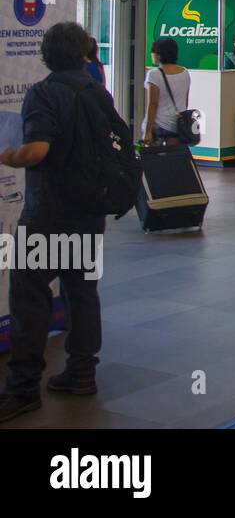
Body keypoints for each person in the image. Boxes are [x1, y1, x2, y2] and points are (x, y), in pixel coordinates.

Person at [0, 23, 117, 424]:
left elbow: (36, 150)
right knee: (82, 293)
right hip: (89, 211)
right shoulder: (97, 92)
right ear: (86, 54)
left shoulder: (44, 93)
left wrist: (8, 156)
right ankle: (81, 374)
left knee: (29, 299)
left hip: (48, 213)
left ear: (46, 54)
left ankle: (22, 389)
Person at [142, 37, 190, 146]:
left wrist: (148, 131)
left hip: (158, 125)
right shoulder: (185, 72)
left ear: (159, 54)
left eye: (153, 51)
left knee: (154, 159)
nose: (151, 54)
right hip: (177, 125)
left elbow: (153, 104)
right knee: (172, 159)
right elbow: (185, 101)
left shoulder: (154, 74)